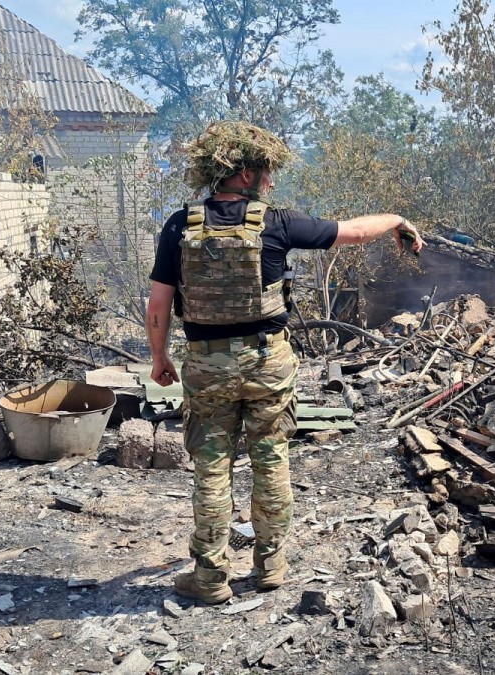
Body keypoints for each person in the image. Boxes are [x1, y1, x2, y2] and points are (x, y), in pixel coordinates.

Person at [146, 121, 424, 604]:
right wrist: (397, 218)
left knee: (212, 468)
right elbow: (356, 232)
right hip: (266, 361)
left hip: (207, 365)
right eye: (267, 173)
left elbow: (158, 305)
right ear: (246, 173)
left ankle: (210, 578)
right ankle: (270, 565)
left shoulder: (178, 225)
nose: (272, 182)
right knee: (271, 460)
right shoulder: (275, 223)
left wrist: (158, 357)